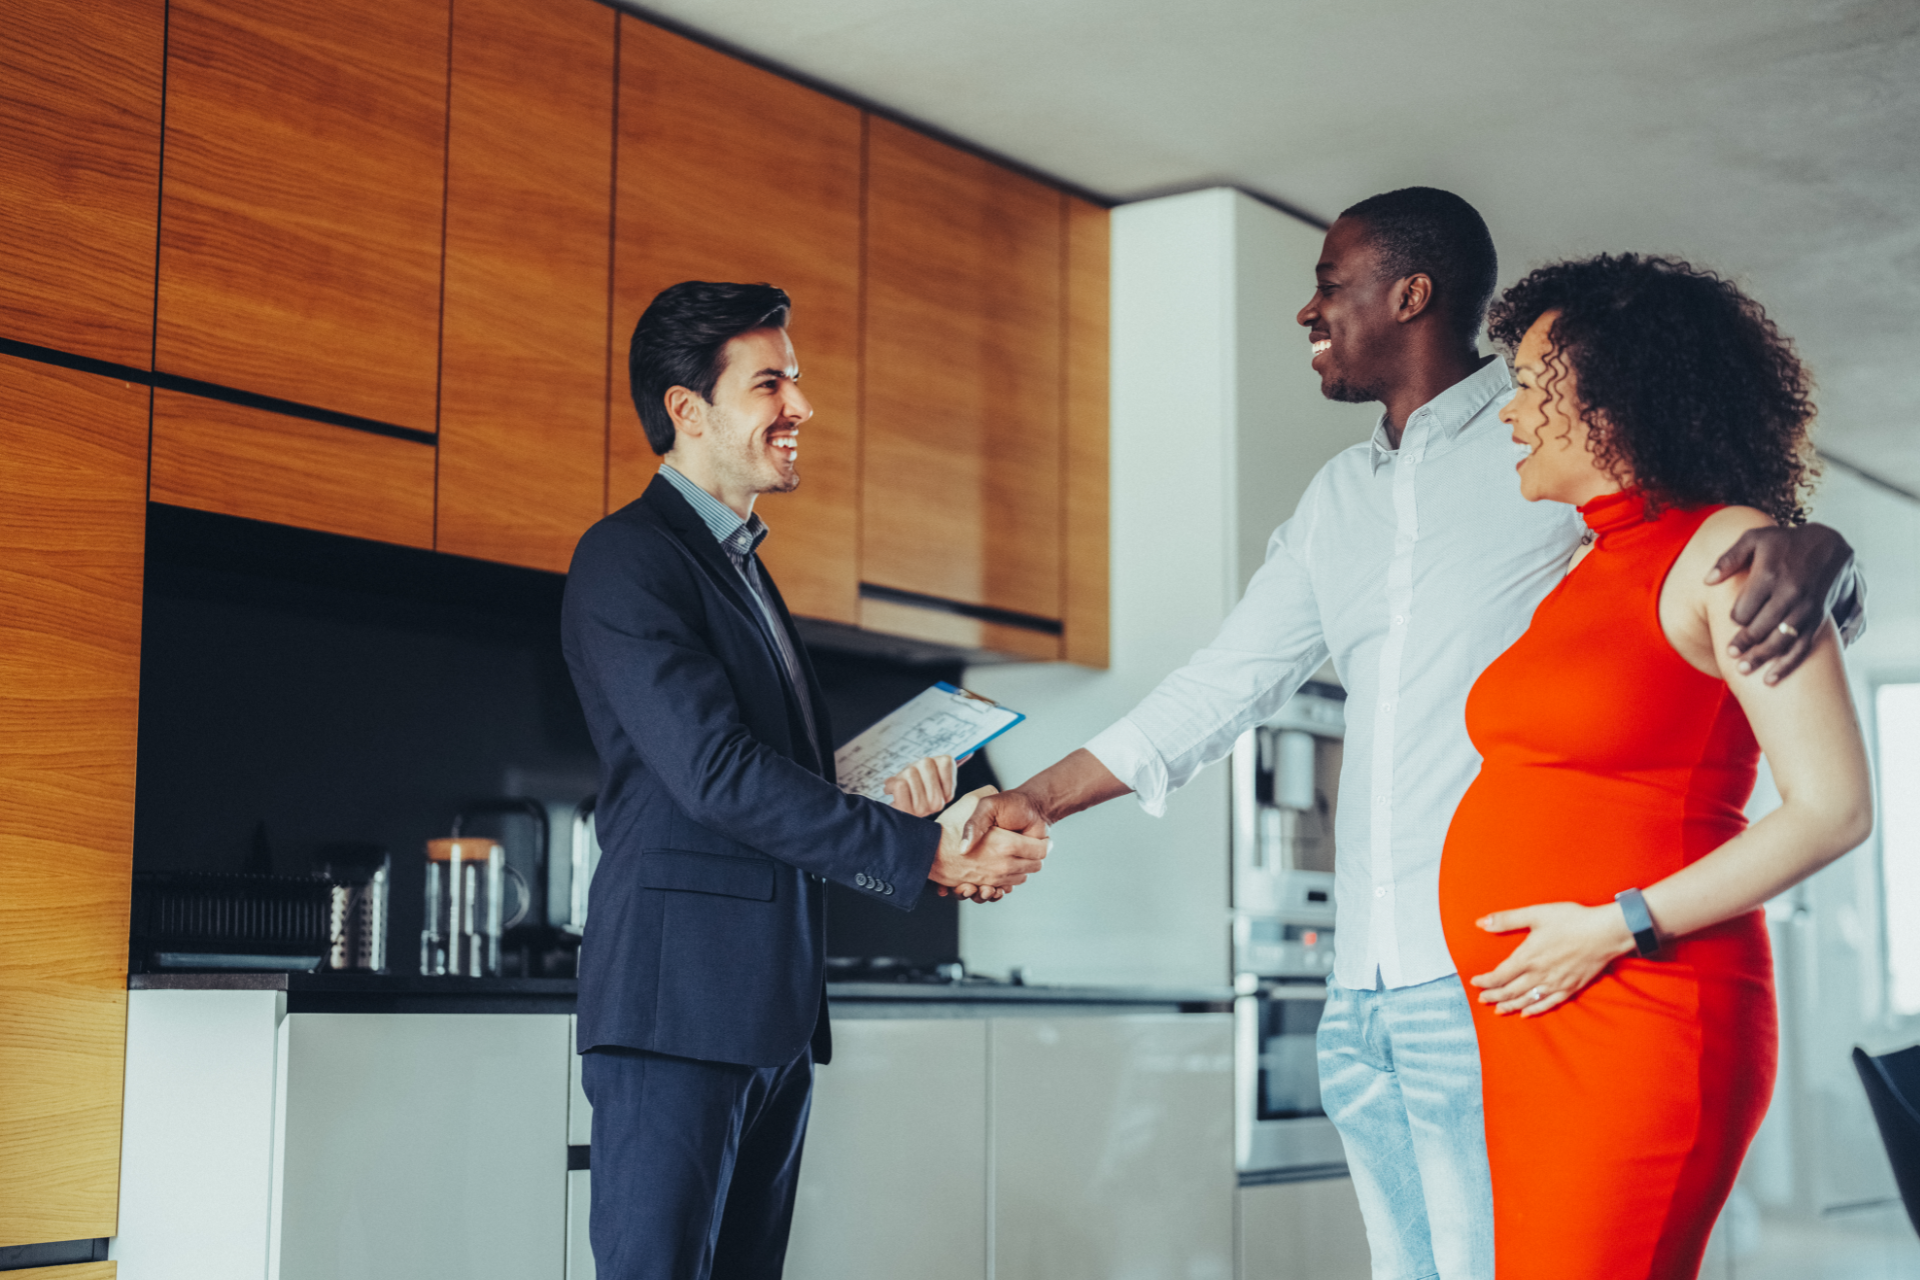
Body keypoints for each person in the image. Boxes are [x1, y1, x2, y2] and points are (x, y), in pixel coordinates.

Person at [956, 189, 1863, 1278]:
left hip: (1505, 980)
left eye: (1331, 286)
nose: (1308, 312)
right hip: (1362, 991)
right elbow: (1223, 684)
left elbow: (1712, 546)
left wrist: (1828, 553)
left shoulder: (1555, 459)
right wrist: (1034, 797)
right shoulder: (1338, 499)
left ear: (1411, 293)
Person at [561, 280, 1049, 1280]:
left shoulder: (741, 567)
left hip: (766, 1011)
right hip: (676, 1013)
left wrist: (871, 797)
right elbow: (716, 772)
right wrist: (920, 854)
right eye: (772, 381)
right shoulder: (626, 559)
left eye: (798, 379)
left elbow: (764, 778)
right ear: (688, 409)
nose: (802, 407)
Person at [1439, 255, 1873, 1278]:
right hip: (1546, 1010)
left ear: (1611, 390)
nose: (1508, 414)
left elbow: (1834, 808)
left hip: (1643, 999)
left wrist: (1613, 923)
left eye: (1530, 382)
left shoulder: (1732, 549)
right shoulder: (1582, 564)